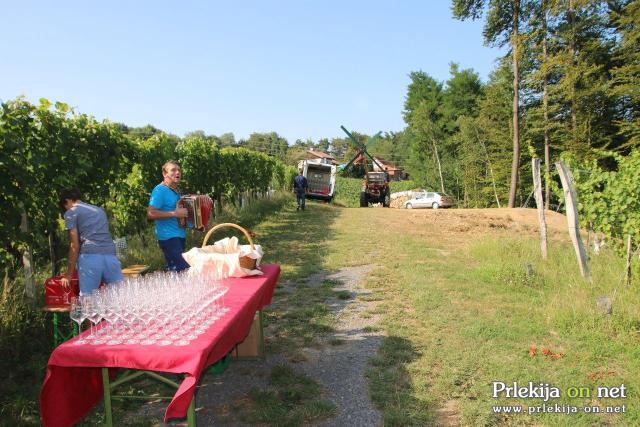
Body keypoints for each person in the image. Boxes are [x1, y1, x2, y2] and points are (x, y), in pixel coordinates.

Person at [59, 188, 123, 295]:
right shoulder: (99, 210)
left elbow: (74, 245)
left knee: (88, 300)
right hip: (111, 257)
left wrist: (69, 274)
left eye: (65, 207)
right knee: (120, 297)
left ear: (67, 200)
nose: (66, 210)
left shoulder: (71, 212)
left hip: (90, 258)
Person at [147, 160, 190, 271]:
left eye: (179, 170)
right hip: (168, 237)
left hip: (179, 235)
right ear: (165, 174)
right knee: (182, 269)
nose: (177, 172)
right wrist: (174, 214)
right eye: (173, 170)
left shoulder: (177, 190)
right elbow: (151, 213)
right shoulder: (159, 190)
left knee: (176, 271)